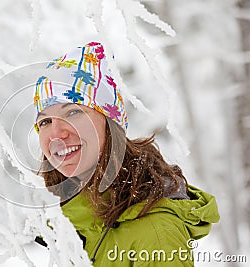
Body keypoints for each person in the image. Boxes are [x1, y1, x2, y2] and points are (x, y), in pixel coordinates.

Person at [33, 42, 220, 266]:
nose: (55, 134)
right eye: (45, 121)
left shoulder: (154, 233)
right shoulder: (70, 226)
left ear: (111, 124)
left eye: (73, 112)